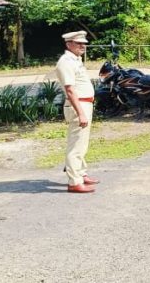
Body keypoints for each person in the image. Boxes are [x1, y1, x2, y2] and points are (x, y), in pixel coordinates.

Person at [56, 31, 98, 193]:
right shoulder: (66, 62)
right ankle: (74, 181)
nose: (83, 46)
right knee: (76, 145)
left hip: (84, 103)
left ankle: (80, 173)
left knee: (82, 142)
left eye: (84, 43)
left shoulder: (75, 60)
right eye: (78, 43)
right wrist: (80, 112)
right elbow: (70, 90)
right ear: (68, 44)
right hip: (78, 105)